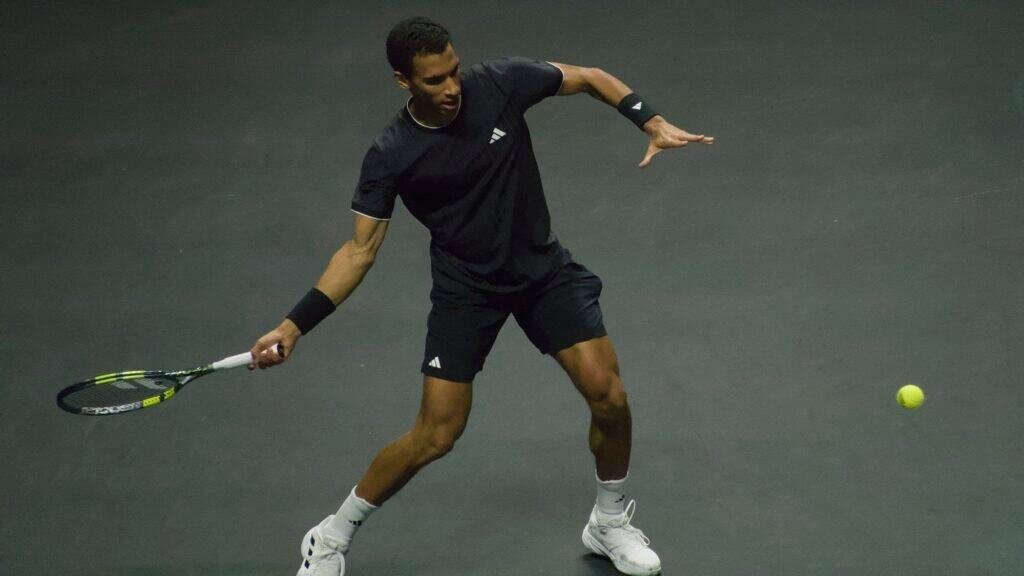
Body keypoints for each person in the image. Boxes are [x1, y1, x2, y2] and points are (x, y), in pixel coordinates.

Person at [249, 16, 713, 576]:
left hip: (543, 272)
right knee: (437, 434)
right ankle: (330, 535)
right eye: (433, 82)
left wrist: (650, 120)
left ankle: (608, 522)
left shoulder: (498, 83)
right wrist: (293, 325)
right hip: (467, 290)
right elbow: (358, 252)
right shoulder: (392, 153)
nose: (450, 90)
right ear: (403, 81)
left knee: (609, 396)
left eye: (452, 73)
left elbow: (589, 77)